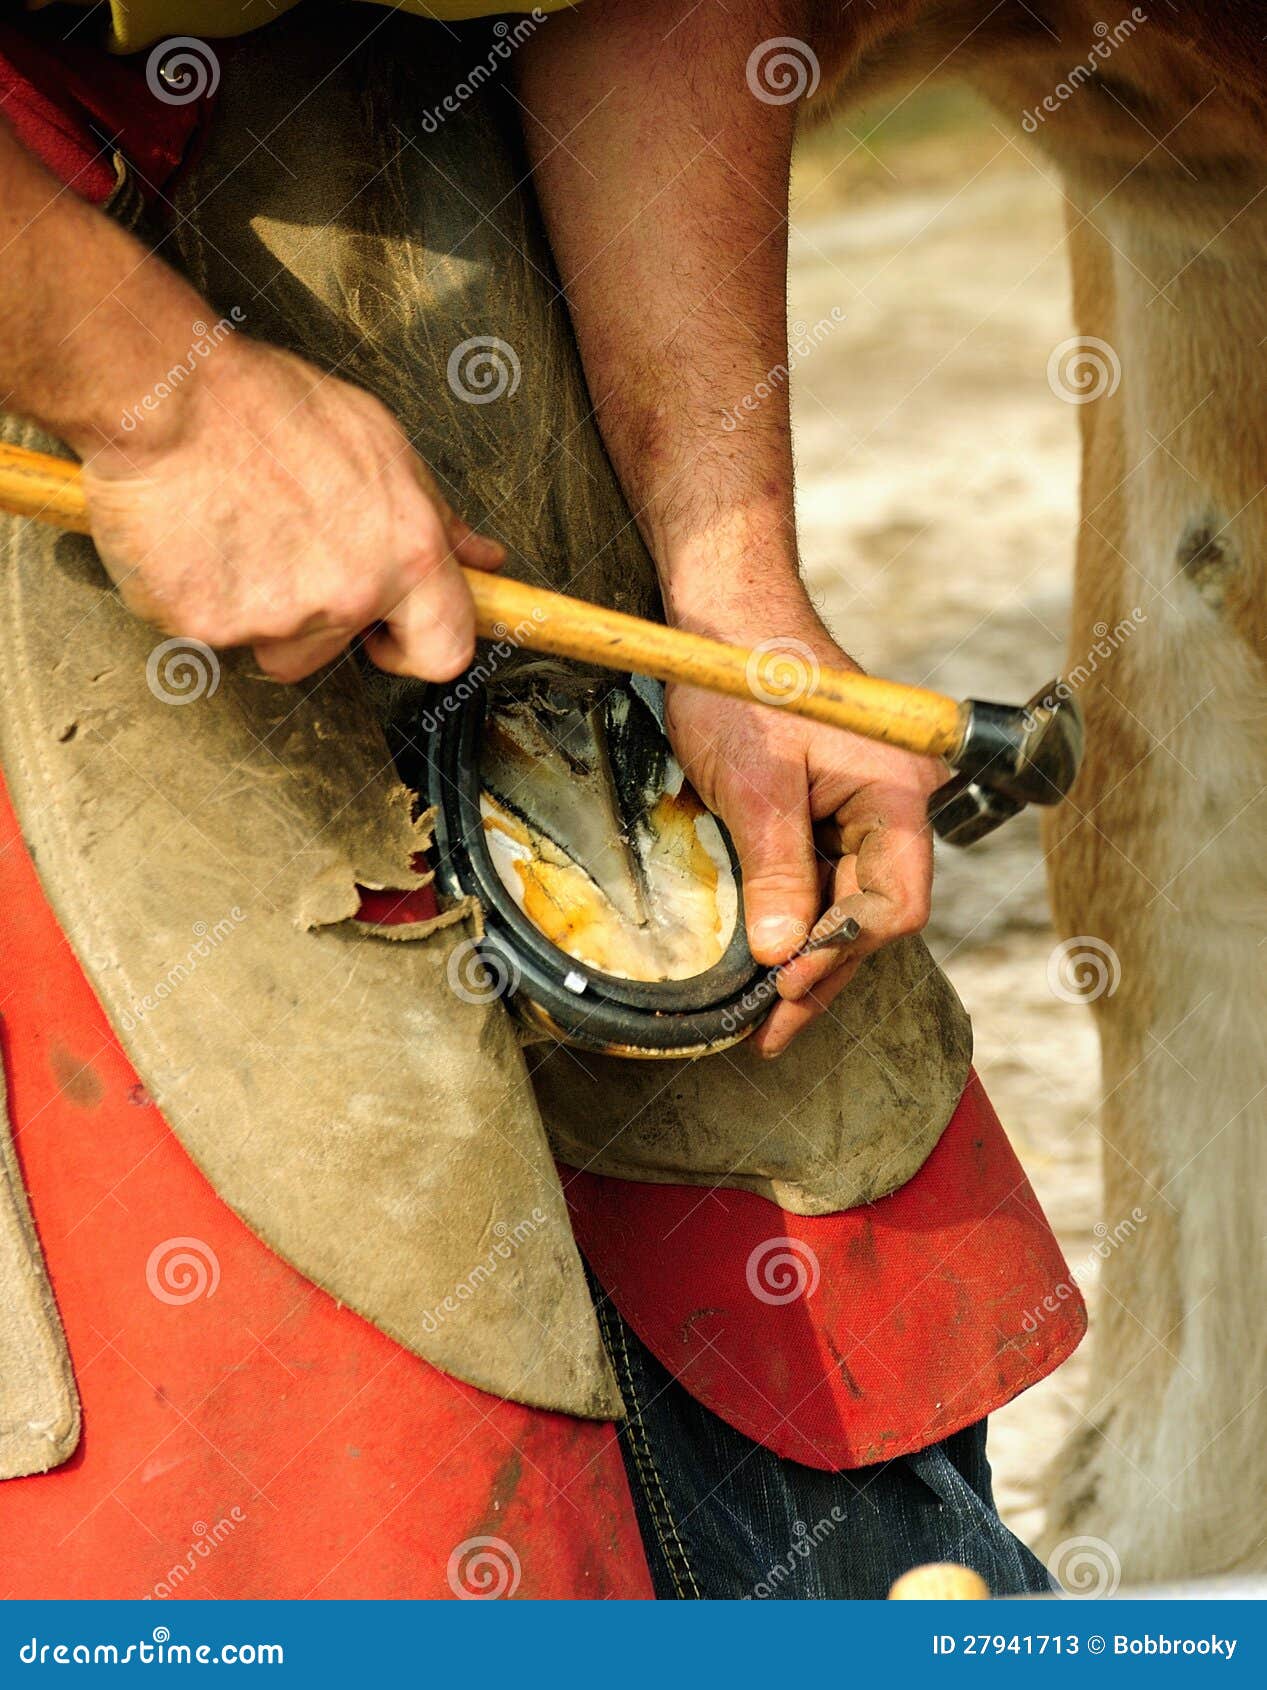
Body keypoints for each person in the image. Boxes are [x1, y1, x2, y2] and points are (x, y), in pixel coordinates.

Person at [0, 0, 1083, 1599]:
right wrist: (145, 391)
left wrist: (734, 581)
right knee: (347, 1502)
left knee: (845, 1508)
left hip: (470, 185)